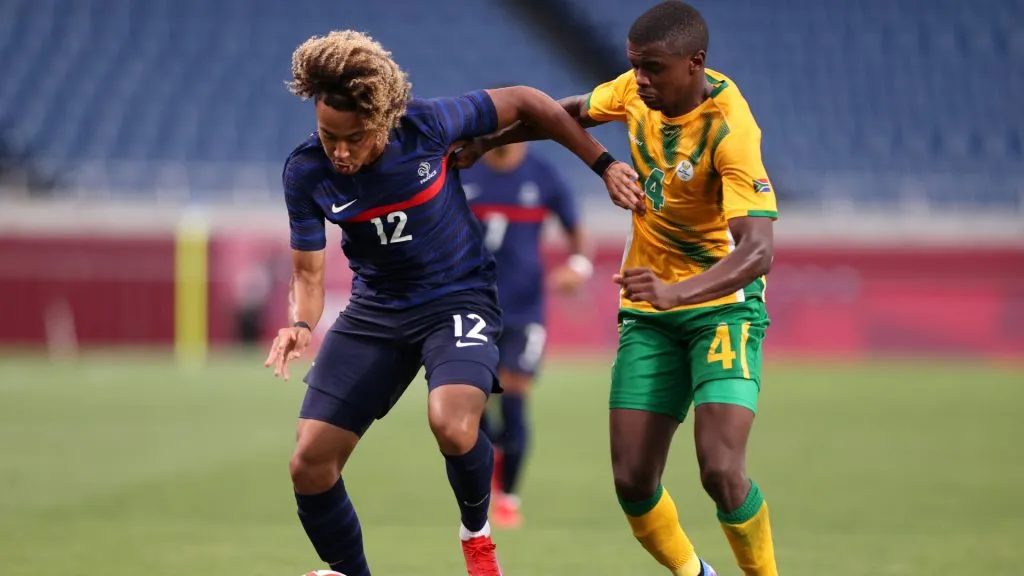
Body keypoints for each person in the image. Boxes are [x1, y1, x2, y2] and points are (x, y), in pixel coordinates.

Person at [262, 30, 643, 576]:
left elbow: (530, 101)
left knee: (452, 422)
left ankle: (478, 534)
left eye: (353, 138)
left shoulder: (427, 124)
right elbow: (307, 271)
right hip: (377, 311)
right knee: (309, 463)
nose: (340, 152)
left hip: (457, 298)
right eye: (328, 137)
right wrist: (300, 322)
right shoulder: (305, 173)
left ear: (382, 118)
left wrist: (603, 164)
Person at [455, 2, 780, 575]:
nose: (641, 79)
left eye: (653, 68)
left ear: (694, 63)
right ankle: (693, 572)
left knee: (720, 469)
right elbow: (566, 114)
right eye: (635, 66)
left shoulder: (731, 130)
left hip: (722, 312)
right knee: (632, 479)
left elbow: (758, 252)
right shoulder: (634, 90)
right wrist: (490, 141)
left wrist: (680, 293)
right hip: (648, 314)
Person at [459, 139, 592, 529]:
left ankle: (509, 498)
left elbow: (575, 226)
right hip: (471, 305)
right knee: (473, 402)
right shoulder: (465, 169)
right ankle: (488, 479)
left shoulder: (542, 174)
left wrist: (579, 267)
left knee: (516, 399)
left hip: (524, 309)